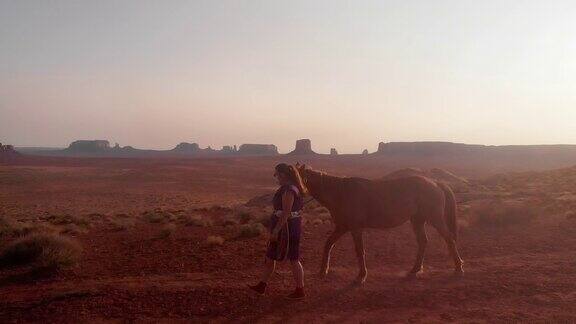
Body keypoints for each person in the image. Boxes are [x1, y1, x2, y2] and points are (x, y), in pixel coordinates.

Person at [249, 163, 307, 299]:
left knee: (293, 258)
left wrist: (276, 231)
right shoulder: (289, 188)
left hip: (287, 228)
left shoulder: (288, 190)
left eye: (276, 175)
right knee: (270, 257)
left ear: (283, 175)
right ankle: (262, 286)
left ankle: (300, 290)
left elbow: (286, 212)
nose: (276, 177)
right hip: (286, 225)